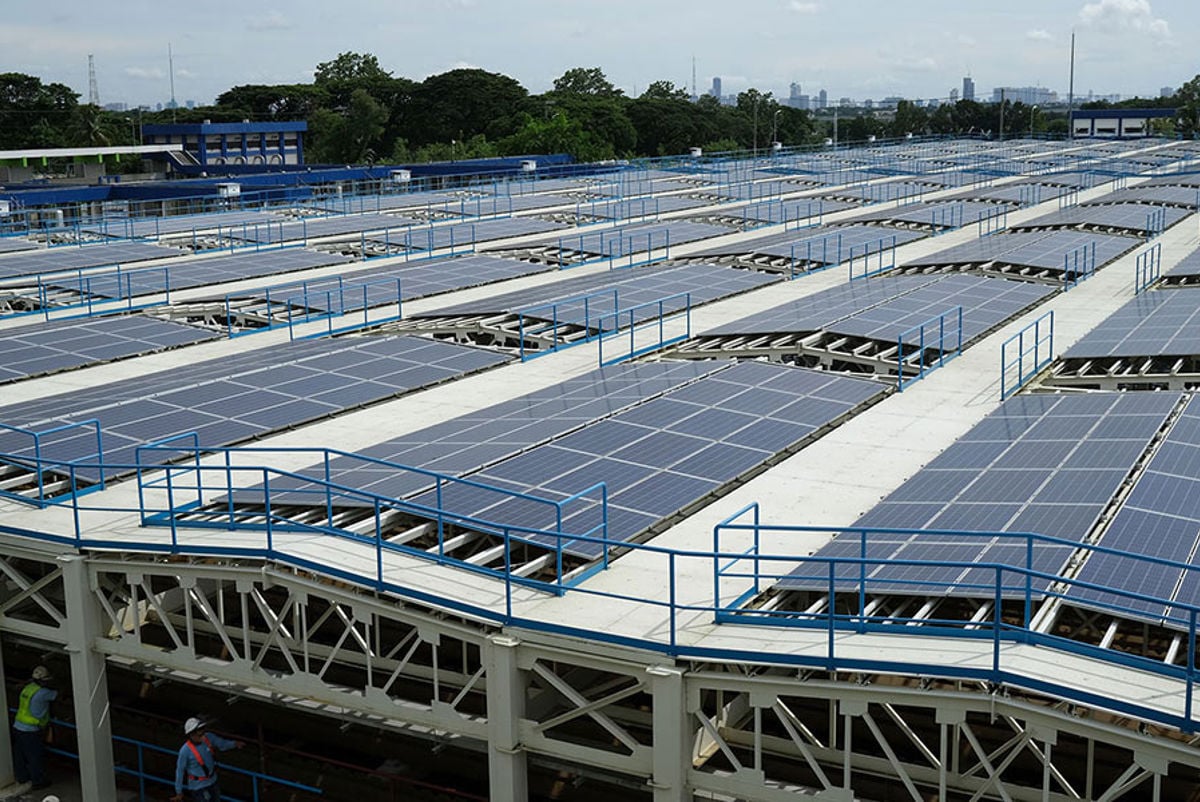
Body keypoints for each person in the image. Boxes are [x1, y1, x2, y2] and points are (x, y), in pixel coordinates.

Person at [171, 716, 245, 802]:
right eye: (200, 733)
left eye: (202, 731)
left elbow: (221, 744)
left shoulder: (208, 738)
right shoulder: (185, 751)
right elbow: (180, 770)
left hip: (212, 781)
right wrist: (179, 791)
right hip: (198, 787)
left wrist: (234, 744)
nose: (203, 735)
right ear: (192, 734)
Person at [12, 665, 57, 790]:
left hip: (18, 725)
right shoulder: (44, 693)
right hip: (30, 729)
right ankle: (38, 781)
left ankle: (22, 777)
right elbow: (57, 695)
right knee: (34, 756)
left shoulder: (28, 688)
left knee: (20, 754)